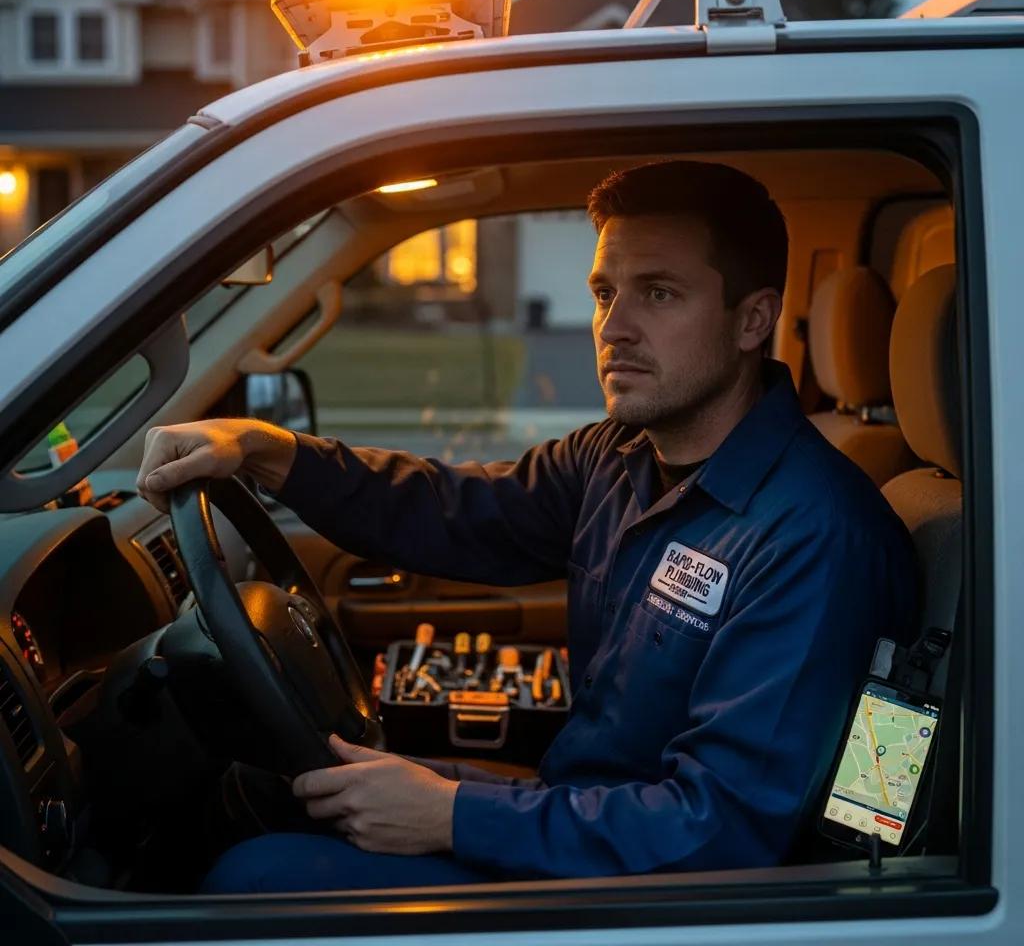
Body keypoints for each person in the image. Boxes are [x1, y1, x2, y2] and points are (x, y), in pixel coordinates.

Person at [136, 161, 915, 893]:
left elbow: (724, 831)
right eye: (606, 293)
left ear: (753, 321)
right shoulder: (621, 456)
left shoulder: (816, 537)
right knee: (267, 790)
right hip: (581, 820)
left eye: (660, 294)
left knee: (257, 877)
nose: (614, 329)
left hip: (655, 900)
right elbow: (455, 512)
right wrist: (275, 456)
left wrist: (450, 814)